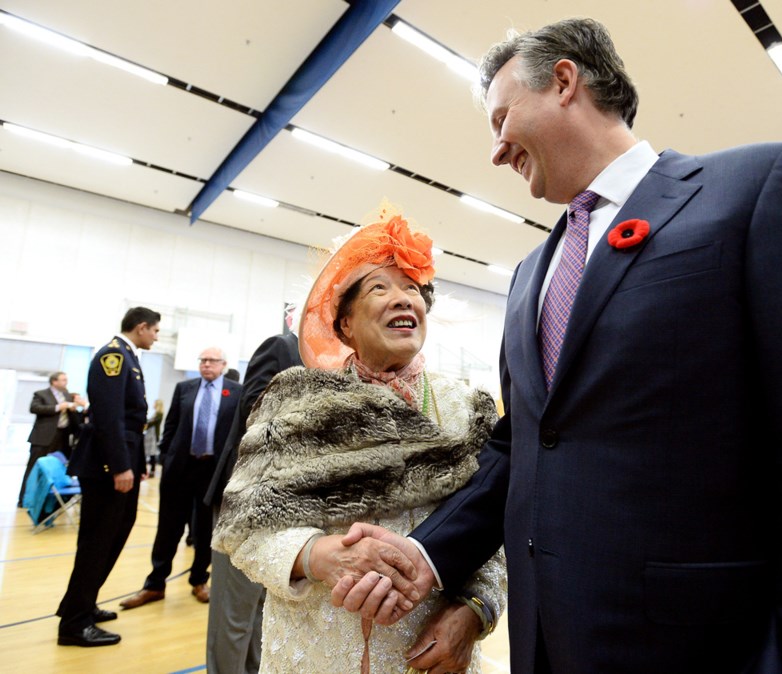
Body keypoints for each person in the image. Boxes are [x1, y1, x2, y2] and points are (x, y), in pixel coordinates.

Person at [333, 18, 782, 673]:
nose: (496, 150)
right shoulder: (530, 277)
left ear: (563, 81)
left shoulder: (759, 189)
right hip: (546, 645)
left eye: (501, 119)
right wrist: (428, 551)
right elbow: (522, 445)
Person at [213, 212, 506, 674]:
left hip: (424, 655)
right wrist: (316, 556)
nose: (403, 299)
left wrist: (473, 611)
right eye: (379, 288)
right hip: (313, 651)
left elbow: (495, 531)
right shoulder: (294, 401)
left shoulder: (467, 408)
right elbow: (244, 531)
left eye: (412, 288)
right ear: (345, 323)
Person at [57, 306, 161, 647]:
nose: (156, 336)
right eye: (155, 330)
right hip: (106, 465)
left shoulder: (128, 357)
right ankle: (74, 624)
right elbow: (109, 417)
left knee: (115, 532)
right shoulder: (113, 357)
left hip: (121, 456)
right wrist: (119, 466)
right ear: (142, 327)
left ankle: (81, 604)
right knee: (97, 541)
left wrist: (136, 462)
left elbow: (130, 423)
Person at [204, 330, 302, 674]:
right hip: (249, 498)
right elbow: (255, 413)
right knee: (234, 612)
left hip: (290, 506)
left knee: (264, 608)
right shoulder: (283, 346)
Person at [121, 347, 241, 610]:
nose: (206, 364)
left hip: (213, 473)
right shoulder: (184, 388)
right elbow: (171, 425)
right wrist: (165, 456)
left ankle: (199, 580)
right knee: (168, 528)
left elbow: (237, 434)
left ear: (223, 364)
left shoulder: (236, 392)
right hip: (180, 468)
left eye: (211, 361)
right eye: (202, 360)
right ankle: (155, 584)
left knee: (204, 531)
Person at [17, 371, 87, 507]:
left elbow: (74, 420)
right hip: (43, 437)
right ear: (54, 381)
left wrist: (77, 409)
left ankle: (51, 502)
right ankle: (24, 499)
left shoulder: (68, 395)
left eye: (66, 380)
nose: (65, 382)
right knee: (33, 468)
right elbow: (34, 408)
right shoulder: (41, 394)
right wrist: (58, 407)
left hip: (63, 437)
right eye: (63, 380)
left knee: (58, 469)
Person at [144, 398, 163, 478]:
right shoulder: (156, 414)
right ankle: (150, 471)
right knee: (151, 454)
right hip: (150, 435)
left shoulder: (159, 414)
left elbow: (150, 423)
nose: (153, 404)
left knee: (152, 454)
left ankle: (152, 471)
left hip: (153, 436)